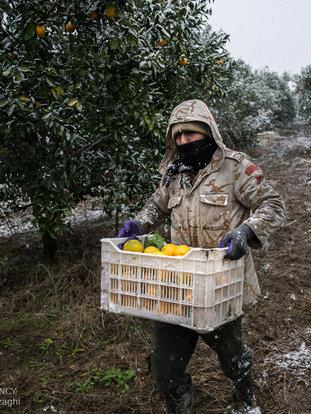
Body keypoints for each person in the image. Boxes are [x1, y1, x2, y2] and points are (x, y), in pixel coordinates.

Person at [117, 99, 286, 413]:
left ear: (208, 133)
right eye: (178, 136)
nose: (183, 142)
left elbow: (273, 204)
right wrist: (138, 223)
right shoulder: (175, 174)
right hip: (178, 282)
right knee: (164, 365)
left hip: (220, 282)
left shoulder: (235, 168)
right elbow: (158, 205)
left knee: (232, 354)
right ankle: (181, 399)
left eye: (190, 134)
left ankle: (246, 398)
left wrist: (246, 231)